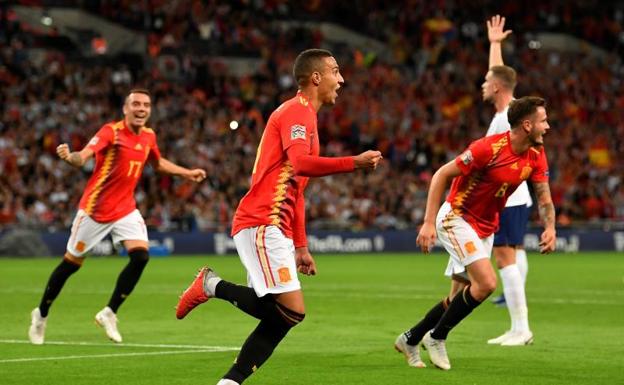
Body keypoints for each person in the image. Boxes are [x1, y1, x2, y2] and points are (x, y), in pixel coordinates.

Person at [175, 49, 382, 385]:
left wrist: (301, 245)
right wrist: (353, 162)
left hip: (276, 226)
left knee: (283, 315)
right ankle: (211, 285)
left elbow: (297, 188)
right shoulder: (296, 112)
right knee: (291, 310)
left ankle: (229, 382)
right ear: (316, 77)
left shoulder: (309, 121)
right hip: (261, 220)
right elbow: (301, 165)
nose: (341, 79)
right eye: (335, 71)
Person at [28, 89, 207, 345]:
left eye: (146, 104)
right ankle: (41, 315)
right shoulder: (110, 132)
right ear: (125, 109)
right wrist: (71, 157)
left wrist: (187, 173)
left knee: (141, 256)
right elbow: (83, 157)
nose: (141, 108)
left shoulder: (149, 136)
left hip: (125, 210)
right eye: (135, 104)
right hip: (95, 210)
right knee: (70, 266)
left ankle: (109, 313)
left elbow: (157, 164)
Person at [394, 96, 556, 370]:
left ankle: (411, 338)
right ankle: (437, 337)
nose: (548, 126)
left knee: (459, 295)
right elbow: (441, 175)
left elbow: (544, 196)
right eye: (543, 121)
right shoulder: (488, 149)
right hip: (456, 218)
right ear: (527, 125)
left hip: (485, 227)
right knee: (487, 284)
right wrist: (428, 222)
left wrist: (550, 227)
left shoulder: (536, 154)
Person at [482, 15, 534, 345]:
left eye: (487, 81)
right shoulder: (506, 113)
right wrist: (495, 45)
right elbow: (500, 78)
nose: (484, 84)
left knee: (504, 258)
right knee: (511, 254)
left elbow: (499, 81)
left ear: (498, 87)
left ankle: (521, 328)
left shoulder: (506, 117)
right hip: (518, 196)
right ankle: (518, 327)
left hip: (508, 197)